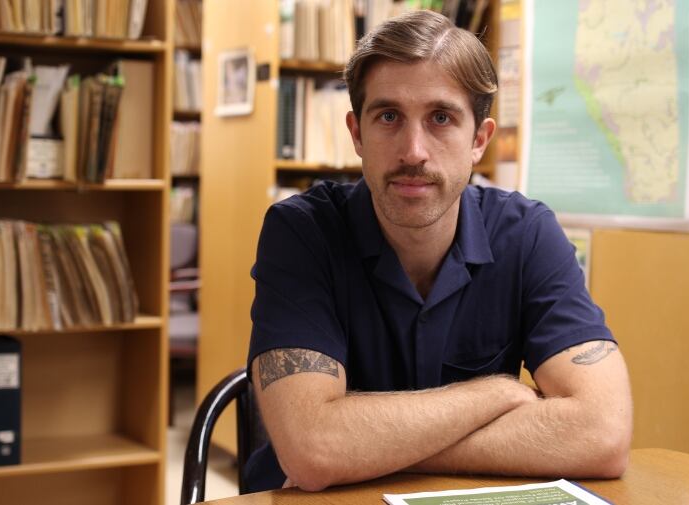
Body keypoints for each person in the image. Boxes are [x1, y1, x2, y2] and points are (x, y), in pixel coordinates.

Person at [246, 10, 632, 493]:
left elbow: (603, 433)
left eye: (441, 118)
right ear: (357, 134)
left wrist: (370, 447)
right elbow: (313, 451)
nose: (413, 150)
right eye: (389, 116)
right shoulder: (301, 232)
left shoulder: (528, 234)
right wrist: (498, 393)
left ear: (478, 140)